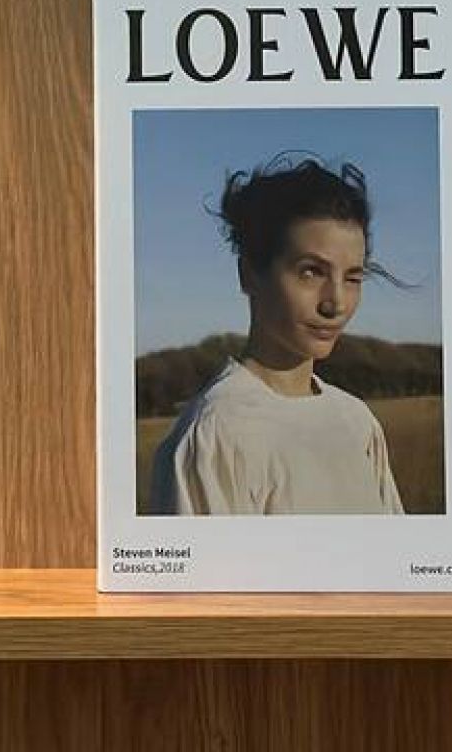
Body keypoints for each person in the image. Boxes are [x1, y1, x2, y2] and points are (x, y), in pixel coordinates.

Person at [150, 155, 404, 515]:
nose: (336, 303)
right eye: (311, 272)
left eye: (352, 278)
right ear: (250, 274)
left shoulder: (358, 423)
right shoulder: (215, 434)